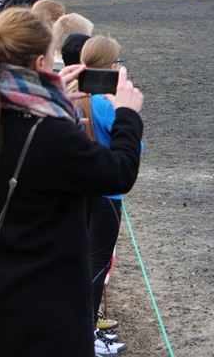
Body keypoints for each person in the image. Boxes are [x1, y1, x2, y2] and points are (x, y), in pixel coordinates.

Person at [0, 8, 143, 356]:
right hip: (50, 302)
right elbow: (118, 173)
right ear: (41, 62)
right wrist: (127, 115)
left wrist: (52, 98)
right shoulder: (49, 133)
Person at [76, 36, 133, 355]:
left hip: (81, 191)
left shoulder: (75, 96)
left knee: (83, 260)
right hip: (108, 195)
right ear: (111, 66)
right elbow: (133, 147)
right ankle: (88, 334)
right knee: (98, 264)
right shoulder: (108, 104)